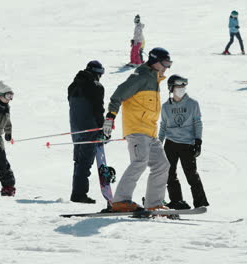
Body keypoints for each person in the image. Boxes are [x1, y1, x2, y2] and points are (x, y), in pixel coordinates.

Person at [103, 47, 172, 212]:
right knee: (139, 161)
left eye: (169, 64)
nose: (166, 67)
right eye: (164, 63)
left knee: (162, 165)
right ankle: (120, 201)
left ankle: (154, 203)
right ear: (155, 61)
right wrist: (110, 116)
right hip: (136, 128)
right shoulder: (140, 77)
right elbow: (118, 94)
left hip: (150, 131)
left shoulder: (155, 80)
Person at [159, 75, 209, 209]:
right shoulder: (165, 107)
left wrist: (198, 141)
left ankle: (200, 202)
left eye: (183, 87)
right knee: (169, 174)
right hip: (170, 144)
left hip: (187, 144)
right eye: (178, 87)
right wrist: (159, 143)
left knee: (191, 174)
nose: (181, 89)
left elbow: (197, 123)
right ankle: (177, 201)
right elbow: (163, 126)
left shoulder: (193, 104)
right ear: (171, 88)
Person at [67, 60, 106, 203]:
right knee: (85, 161)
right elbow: (98, 110)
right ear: (97, 72)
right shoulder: (96, 87)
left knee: (78, 160)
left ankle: (77, 192)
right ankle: (79, 194)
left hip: (75, 127)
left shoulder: (73, 85)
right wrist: (102, 129)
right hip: (89, 127)